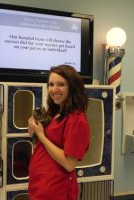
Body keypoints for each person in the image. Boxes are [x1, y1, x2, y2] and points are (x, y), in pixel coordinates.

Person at [28, 65, 90, 200]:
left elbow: (69, 164)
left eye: (60, 84)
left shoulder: (77, 120)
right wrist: (33, 131)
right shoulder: (55, 112)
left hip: (57, 191)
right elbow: (44, 146)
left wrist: (41, 136)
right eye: (51, 84)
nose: (54, 89)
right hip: (40, 186)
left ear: (72, 87)